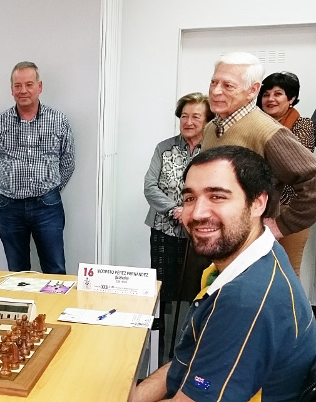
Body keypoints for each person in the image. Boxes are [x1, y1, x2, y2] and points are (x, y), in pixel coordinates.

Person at [133, 146, 316, 401]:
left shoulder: (246, 300)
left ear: (258, 203)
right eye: (189, 198)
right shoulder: (259, 255)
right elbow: (187, 363)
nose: (197, 213)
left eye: (217, 197)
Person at [202, 52, 316, 243]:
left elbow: (312, 179)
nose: (215, 91)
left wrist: (282, 225)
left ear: (253, 90)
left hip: (248, 246)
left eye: (227, 85)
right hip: (213, 240)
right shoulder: (210, 128)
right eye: (214, 83)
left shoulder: (268, 132)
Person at [0, 61, 75, 275]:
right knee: (17, 273)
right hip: (9, 208)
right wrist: (7, 187)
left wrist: (51, 189)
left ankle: (55, 309)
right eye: (18, 85)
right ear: (11, 89)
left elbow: (68, 161)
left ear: (40, 87)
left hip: (47, 206)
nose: (23, 90)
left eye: (29, 84)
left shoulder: (58, 121)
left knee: (55, 270)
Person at [143, 92, 213, 357]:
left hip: (203, 233)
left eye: (196, 116)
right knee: (163, 286)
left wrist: (193, 212)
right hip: (164, 229)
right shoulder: (164, 147)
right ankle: (160, 348)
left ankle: (194, 345)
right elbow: (150, 186)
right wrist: (176, 210)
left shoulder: (215, 151)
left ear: (208, 120)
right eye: (184, 116)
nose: (188, 121)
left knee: (199, 288)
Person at [258, 71, 315, 275]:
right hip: (261, 207)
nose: (270, 99)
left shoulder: (303, 125)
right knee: (261, 271)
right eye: (266, 94)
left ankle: (294, 308)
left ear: (291, 99)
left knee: (288, 270)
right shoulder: (254, 124)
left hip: (291, 208)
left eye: (278, 94)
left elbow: (295, 165)